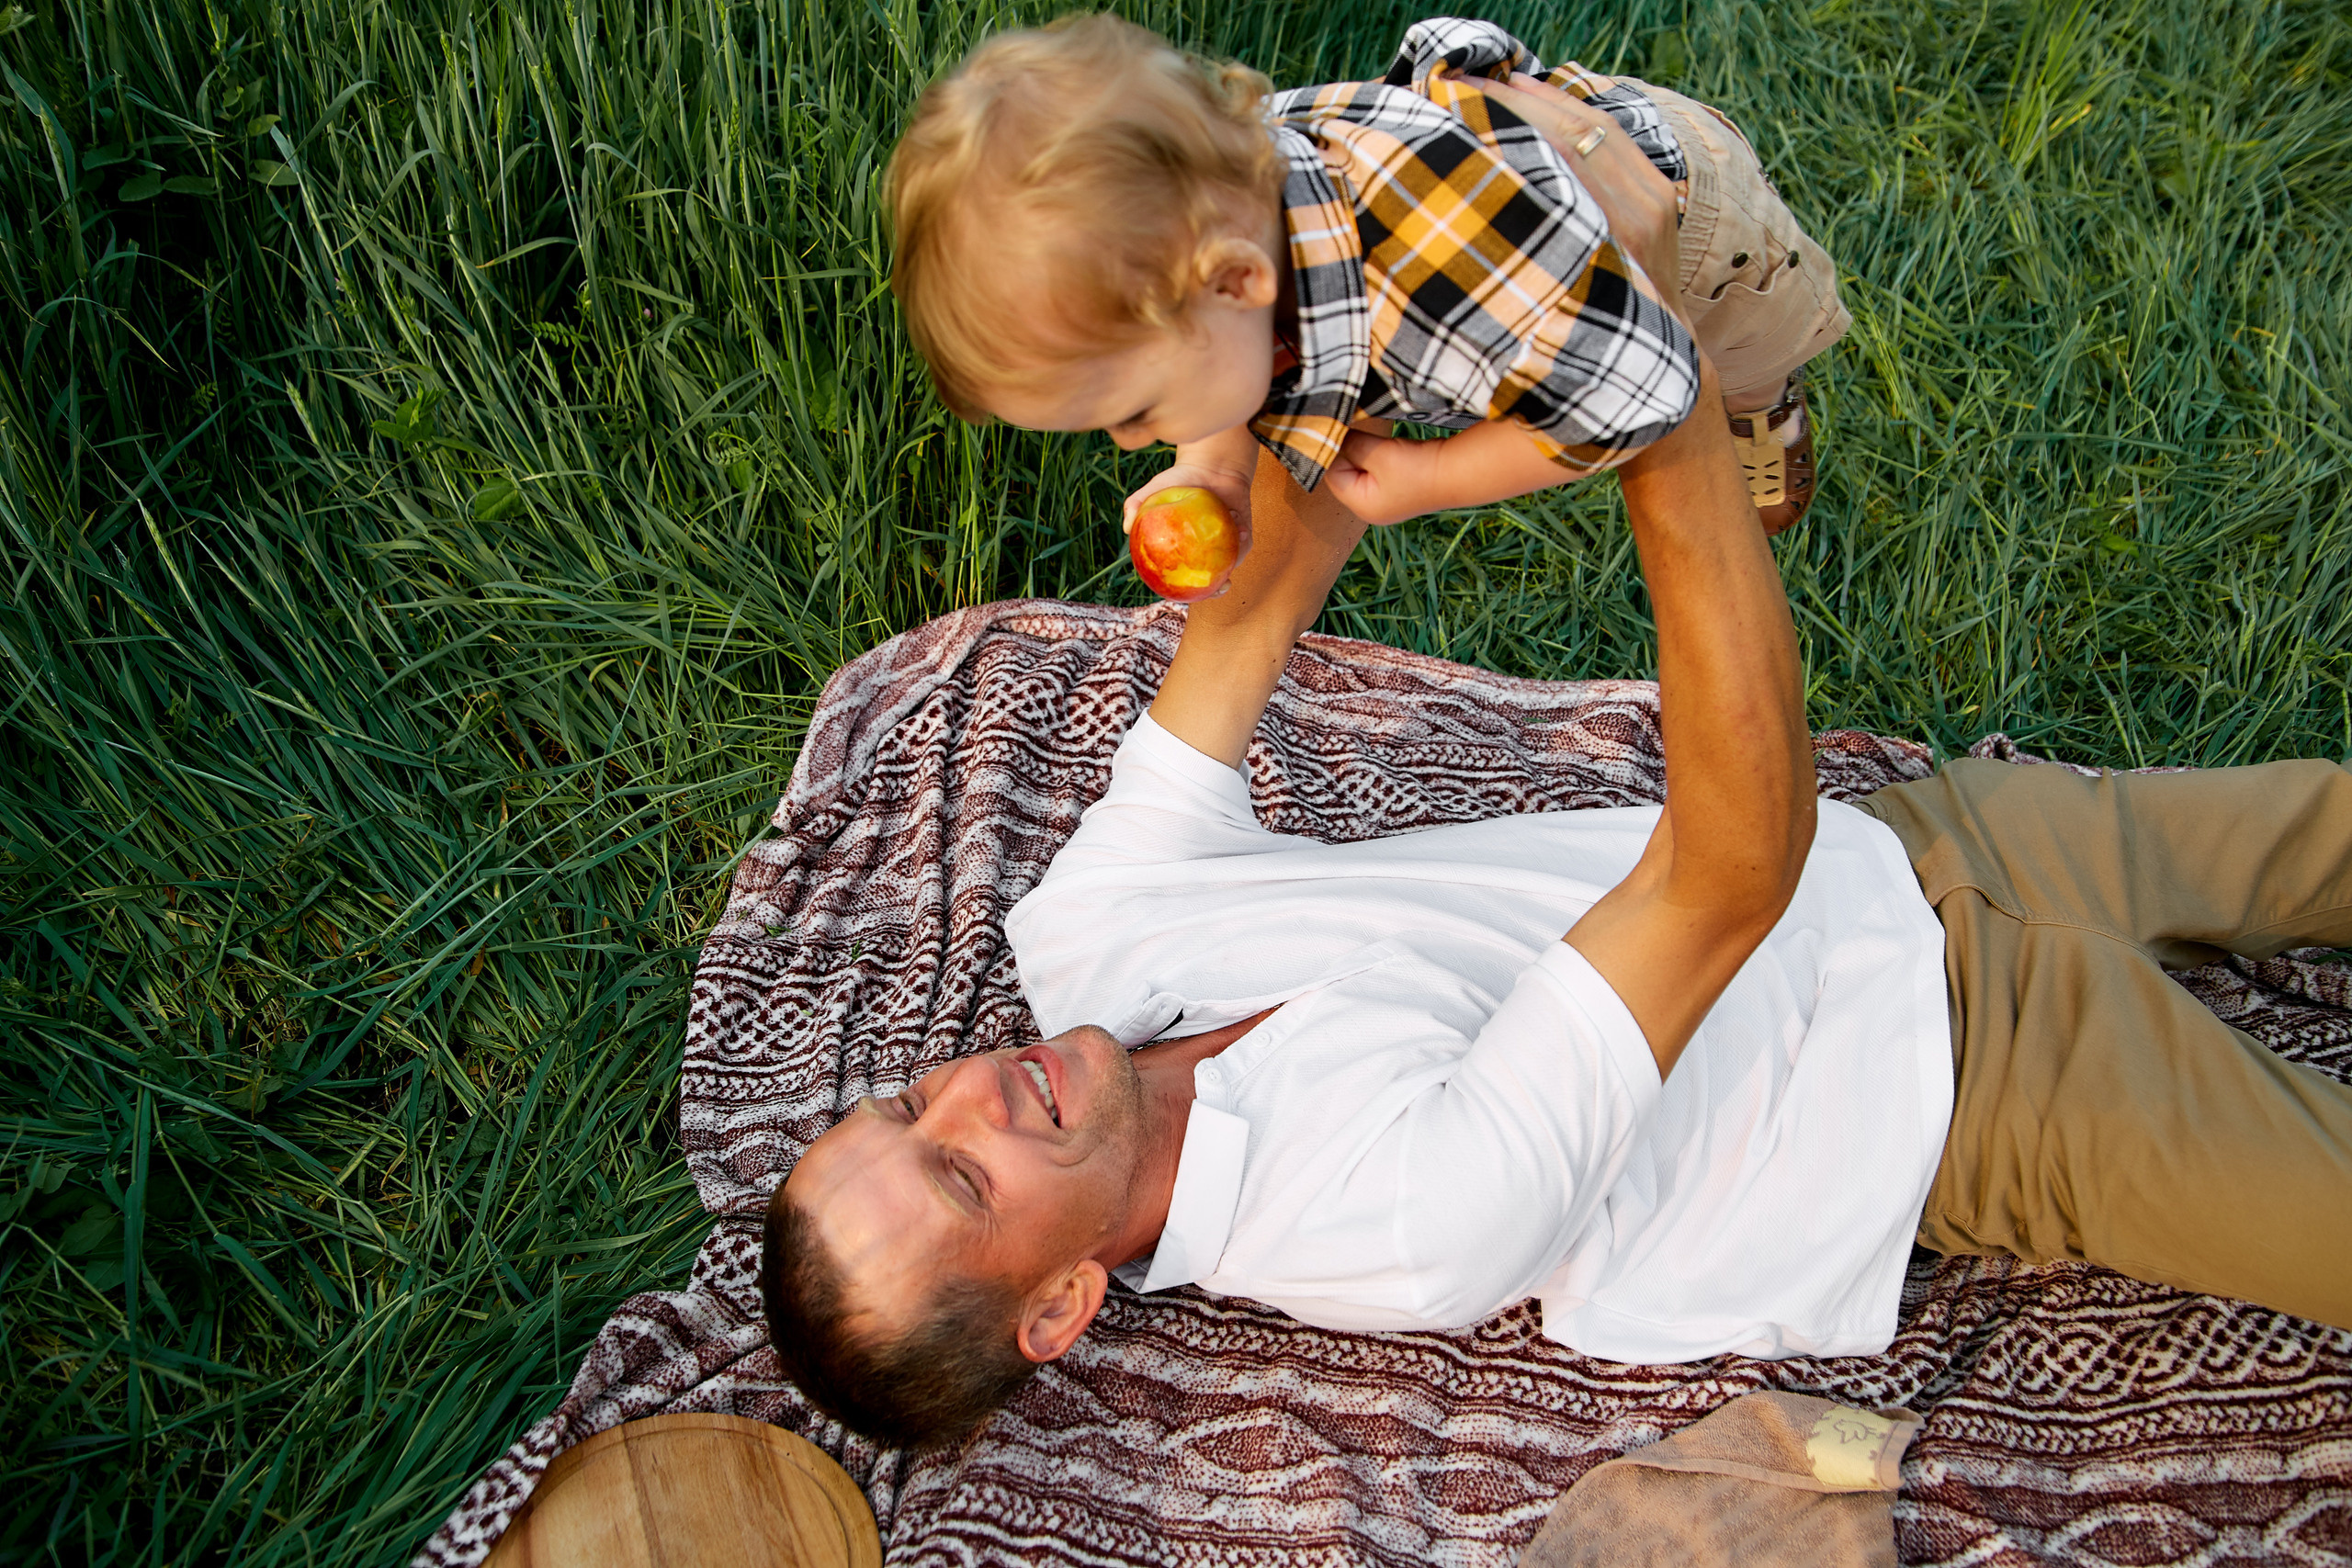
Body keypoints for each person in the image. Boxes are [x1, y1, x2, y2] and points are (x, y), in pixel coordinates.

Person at [887, 15, 1848, 543]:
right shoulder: (1226, 211)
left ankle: (1769, 412)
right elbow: (1226, 350)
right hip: (1530, 215)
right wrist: (1211, 468)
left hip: (1698, 223)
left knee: (1738, 355)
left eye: (1137, 411)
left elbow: (1637, 392)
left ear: (1233, 281)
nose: (1131, 439)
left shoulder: (1449, 276)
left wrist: (1440, 474)